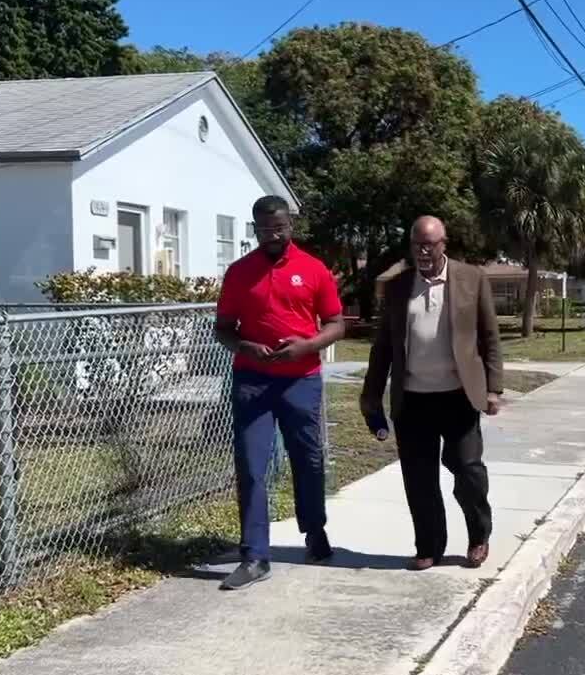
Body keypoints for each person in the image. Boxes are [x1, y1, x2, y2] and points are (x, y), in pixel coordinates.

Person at [214, 195, 345, 590]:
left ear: (291, 226)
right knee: (252, 466)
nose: (274, 234)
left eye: (281, 227)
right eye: (266, 228)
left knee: (308, 459)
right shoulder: (239, 273)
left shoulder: (313, 269)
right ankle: (255, 555)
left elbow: (336, 323)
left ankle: (315, 532)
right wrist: (244, 346)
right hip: (253, 381)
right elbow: (223, 328)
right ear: (255, 228)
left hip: (301, 380)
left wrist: (307, 346)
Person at [360, 216, 503, 571]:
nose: (423, 251)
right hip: (413, 400)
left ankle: (478, 536)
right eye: (416, 244)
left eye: (430, 244)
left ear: (444, 243)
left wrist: (494, 388)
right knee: (419, 477)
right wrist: (372, 395)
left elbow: (490, 337)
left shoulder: (472, 278)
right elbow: (382, 348)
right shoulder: (396, 287)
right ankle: (429, 545)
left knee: (468, 471)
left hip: (458, 395)